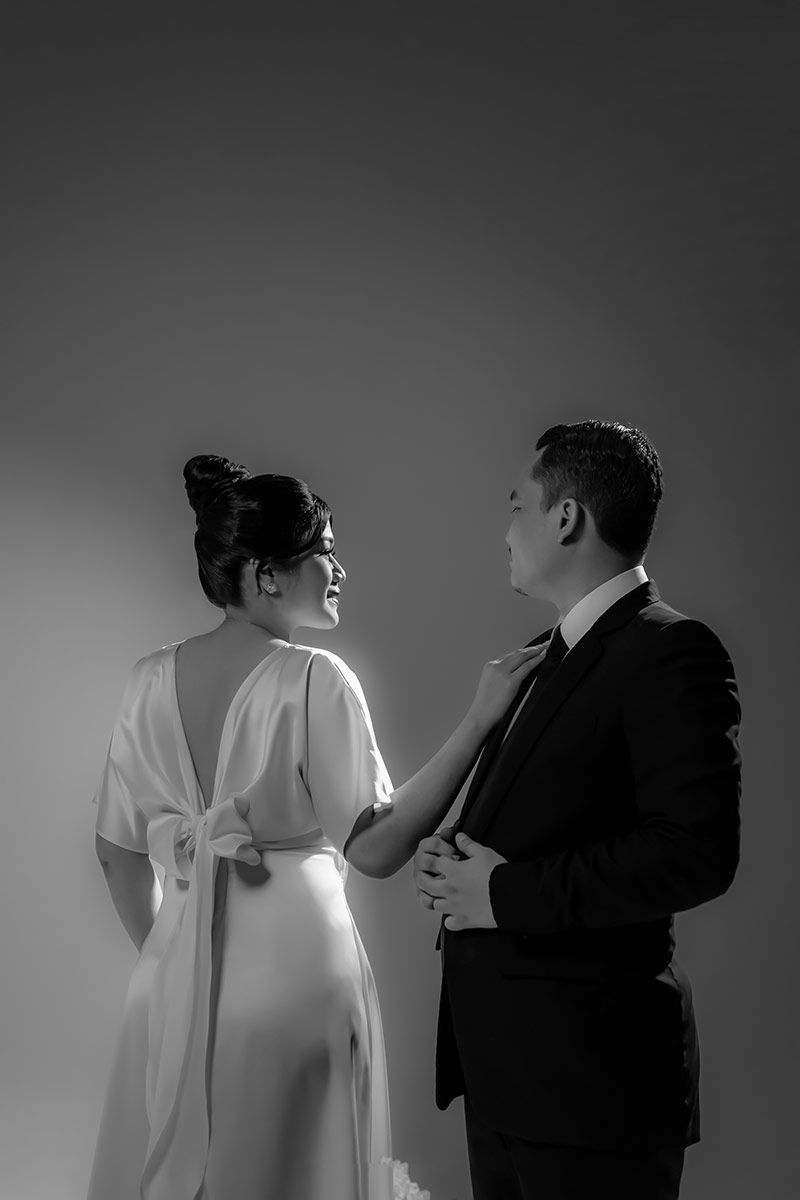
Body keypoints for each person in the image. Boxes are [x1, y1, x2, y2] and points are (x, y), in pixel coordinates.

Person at [87, 454, 545, 1200]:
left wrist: (177, 963)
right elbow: (375, 847)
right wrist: (478, 723)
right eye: (325, 550)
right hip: (297, 982)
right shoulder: (313, 677)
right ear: (268, 574)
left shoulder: (148, 679)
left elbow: (116, 854)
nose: (340, 569)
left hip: (170, 992)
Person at [413, 420, 742, 1200]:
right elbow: (551, 815)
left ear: (566, 518)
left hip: (593, 1088)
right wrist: (453, 852)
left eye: (516, 506)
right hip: (506, 1079)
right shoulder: (541, 654)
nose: (506, 531)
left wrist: (501, 894)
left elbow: (695, 852)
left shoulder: (672, 650)